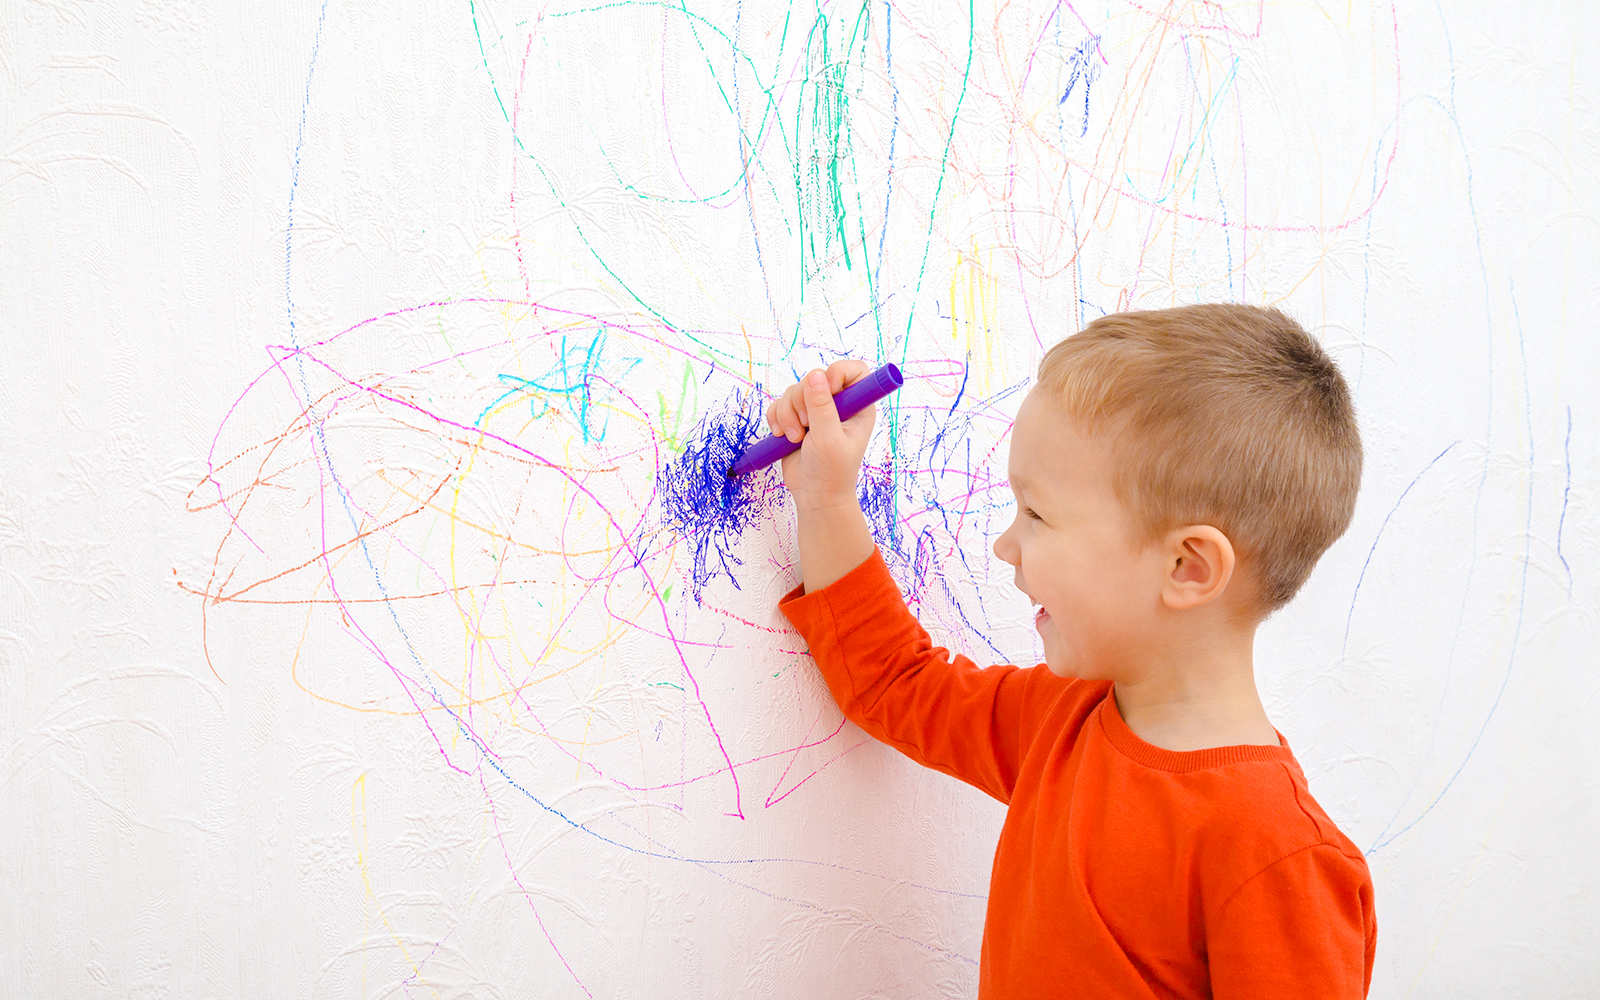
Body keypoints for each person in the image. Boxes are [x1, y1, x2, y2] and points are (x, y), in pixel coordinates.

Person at [766, 304, 1377, 998]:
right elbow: (895, 684)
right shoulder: (1061, 722)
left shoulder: (1275, 853)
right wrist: (823, 499)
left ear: (1188, 568)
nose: (1006, 546)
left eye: (1037, 514)